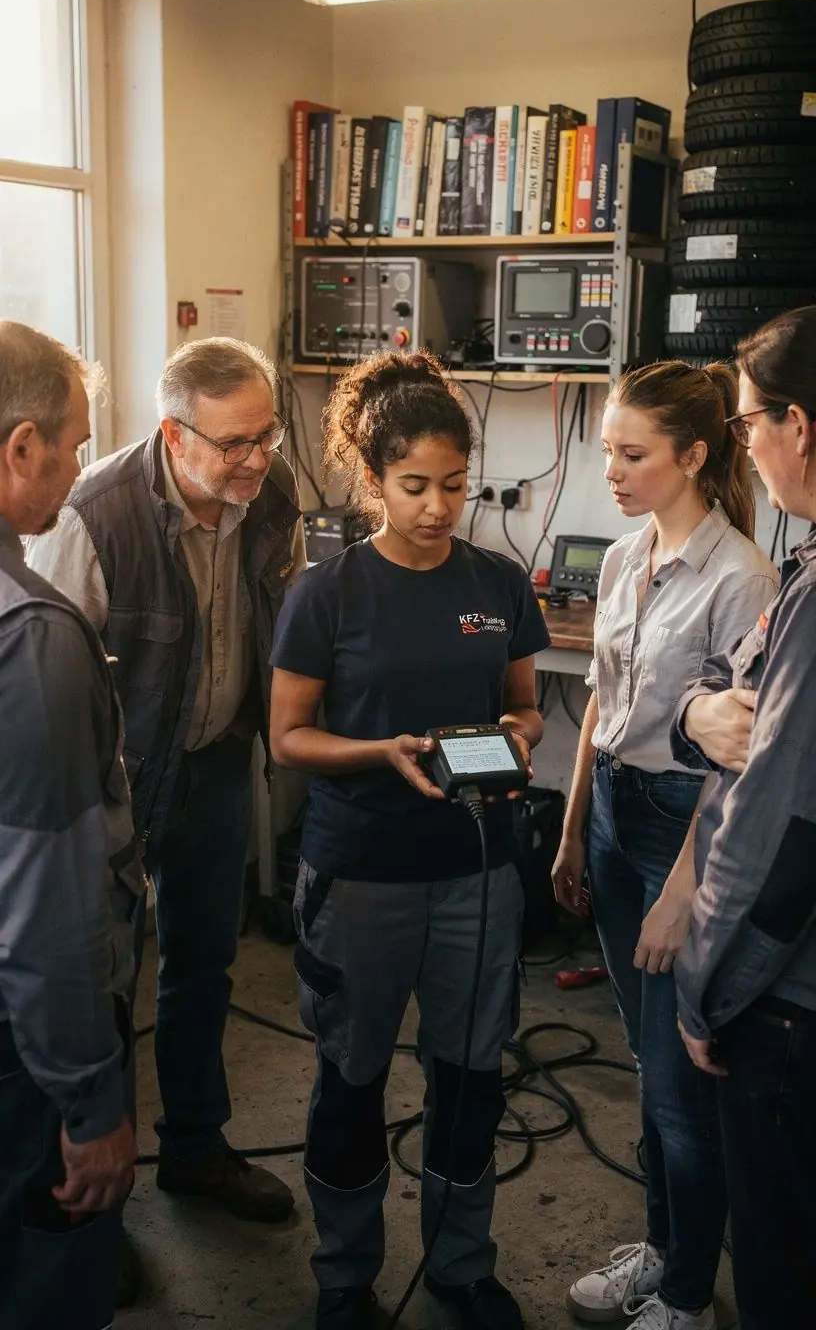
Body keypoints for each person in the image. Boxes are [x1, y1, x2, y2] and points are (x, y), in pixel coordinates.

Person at [269, 351, 548, 1330]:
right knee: (351, 1083)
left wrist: (514, 738)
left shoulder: (499, 583)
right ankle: (345, 1278)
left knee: (469, 1084)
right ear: (372, 478)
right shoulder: (329, 593)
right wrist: (379, 752)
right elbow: (288, 736)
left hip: (478, 871)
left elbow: (524, 709)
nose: (438, 507)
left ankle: (461, 1270)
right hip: (362, 877)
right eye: (416, 486)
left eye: (456, 486)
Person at [26, 337, 306, 1251]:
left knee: (202, 967)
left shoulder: (271, 499)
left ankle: (193, 1148)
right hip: (113, 791)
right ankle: (92, 1210)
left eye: (266, 435)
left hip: (217, 765)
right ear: (172, 435)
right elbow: (53, 692)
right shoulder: (93, 517)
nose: (257, 460)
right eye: (233, 444)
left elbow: (290, 625)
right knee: (104, 986)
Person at [551, 360, 778, 1330]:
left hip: (682, 829)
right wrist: (570, 829)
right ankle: (662, 1248)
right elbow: (600, 704)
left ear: (693, 455)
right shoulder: (618, 558)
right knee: (648, 1066)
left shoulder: (744, 579)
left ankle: (688, 1294)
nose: (613, 469)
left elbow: (740, 759)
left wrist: (683, 889)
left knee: (684, 1082)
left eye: (633, 454)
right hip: (610, 809)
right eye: (607, 450)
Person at [670, 307, 816, 1330]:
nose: (745, 445)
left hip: (787, 1001)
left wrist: (704, 988)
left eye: (751, 421)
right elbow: (721, 696)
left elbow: (776, 837)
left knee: (779, 1257)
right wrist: (692, 713)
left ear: (799, 427)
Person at [0, 321, 139, 1330]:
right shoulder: (36, 640)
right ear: (19, 449)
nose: (79, 466)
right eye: (74, 443)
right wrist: (92, 1109)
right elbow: (47, 911)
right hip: (25, 1060)